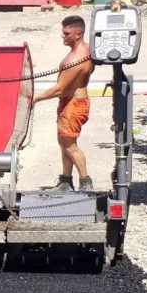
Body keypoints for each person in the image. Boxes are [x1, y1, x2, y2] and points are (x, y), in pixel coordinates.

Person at [31, 15, 95, 192]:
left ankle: (86, 182)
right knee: (64, 142)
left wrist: (36, 98)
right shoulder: (84, 50)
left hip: (73, 104)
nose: (63, 36)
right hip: (70, 102)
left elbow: (59, 89)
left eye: (66, 33)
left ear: (78, 34)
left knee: (70, 145)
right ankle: (66, 181)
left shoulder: (77, 59)